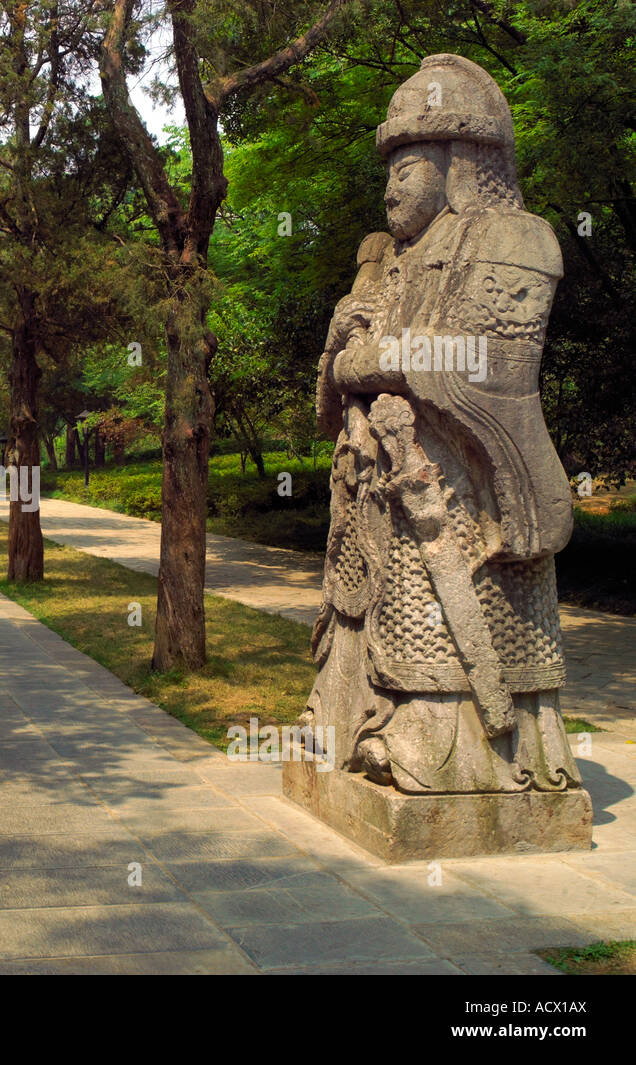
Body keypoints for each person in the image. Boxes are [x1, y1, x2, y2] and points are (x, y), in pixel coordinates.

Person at [307, 54, 579, 795]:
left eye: (409, 167)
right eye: (388, 171)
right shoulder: (386, 265)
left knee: (445, 636)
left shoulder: (515, 240)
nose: (391, 187)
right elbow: (330, 404)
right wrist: (339, 347)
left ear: (461, 163)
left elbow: (478, 363)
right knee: (380, 627)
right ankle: (367, 724)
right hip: (374, 506)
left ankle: (456, 752)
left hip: (452, 506)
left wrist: (365, 360)